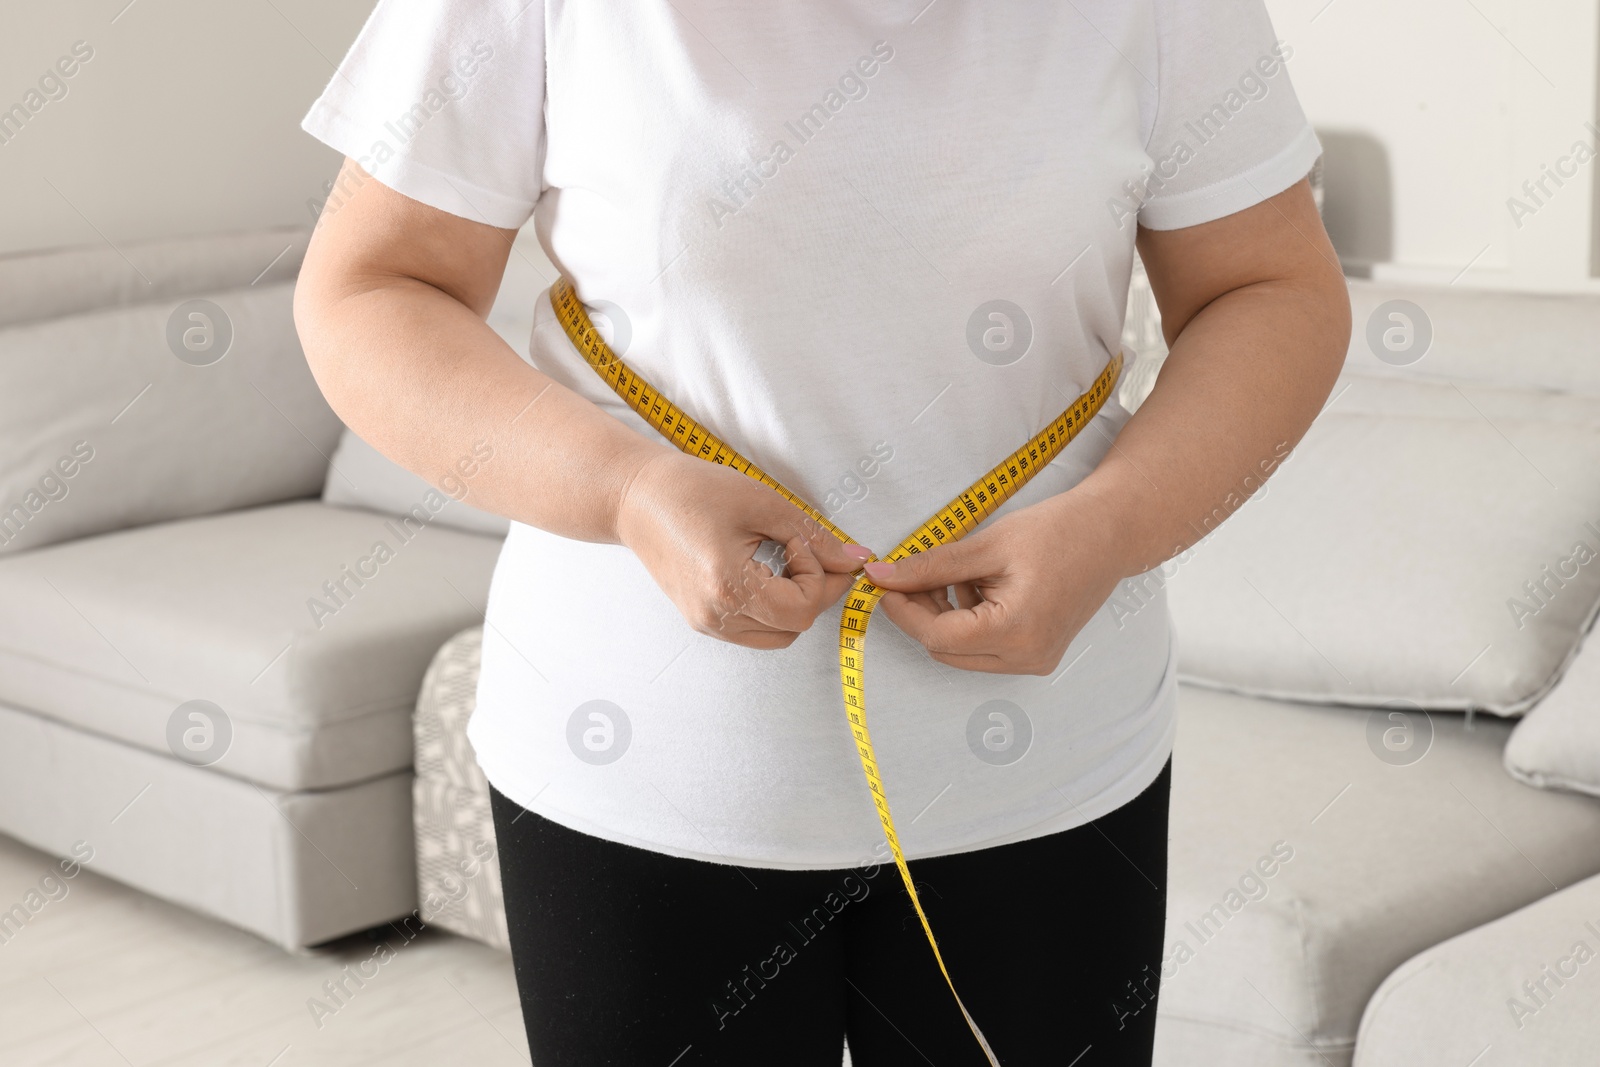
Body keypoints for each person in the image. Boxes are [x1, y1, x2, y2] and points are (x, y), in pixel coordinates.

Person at [294, 1, 1349, 1063]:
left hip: (1045, 766)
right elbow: (371, 288)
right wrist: (627, 490)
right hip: (637, 762)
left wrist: (1111, 527)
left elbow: (1271, 288)